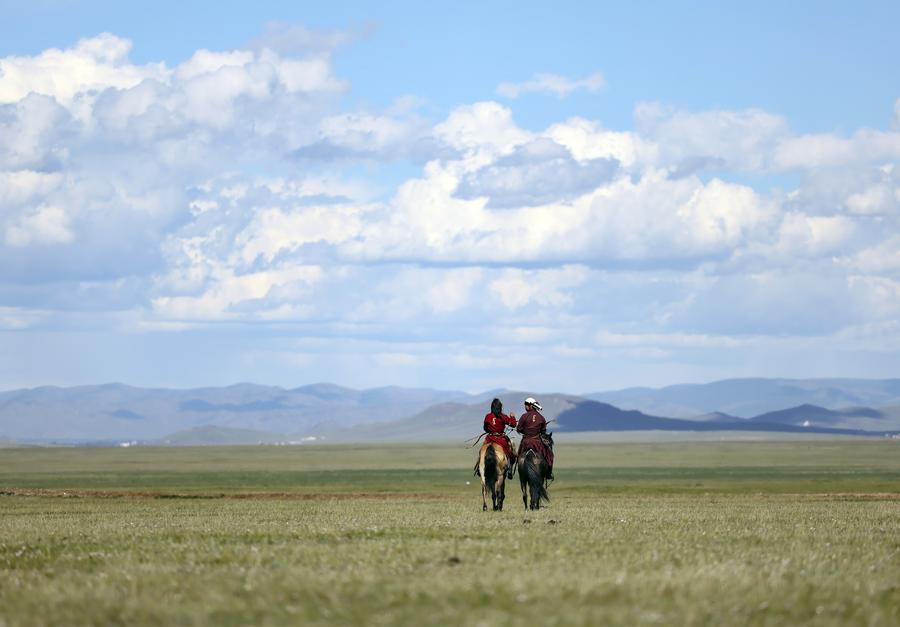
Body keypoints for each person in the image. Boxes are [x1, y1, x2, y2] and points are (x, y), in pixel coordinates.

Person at [474, 398, 517, 479]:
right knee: (510, 450)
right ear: (500, 407)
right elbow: (513, 424)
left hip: (490, 438)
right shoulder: (503, 416)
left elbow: (485, 428)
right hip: (501, 438)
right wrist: (512, 417)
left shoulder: (488, 416)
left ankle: (478, 469)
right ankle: (510, 469)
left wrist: (490, 430)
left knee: (481, 451)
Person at [516, 397, 554, 481]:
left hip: (525, 442)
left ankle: (516, 468)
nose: (525, 407)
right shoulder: (541, 417)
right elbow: (543, 431)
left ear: (530, 406)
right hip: (537, 443)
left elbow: (518, 429)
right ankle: (549, 473)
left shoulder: (524, 416)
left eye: (526, 405)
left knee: (519, 455)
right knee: (549, 455)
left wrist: (525, 431)